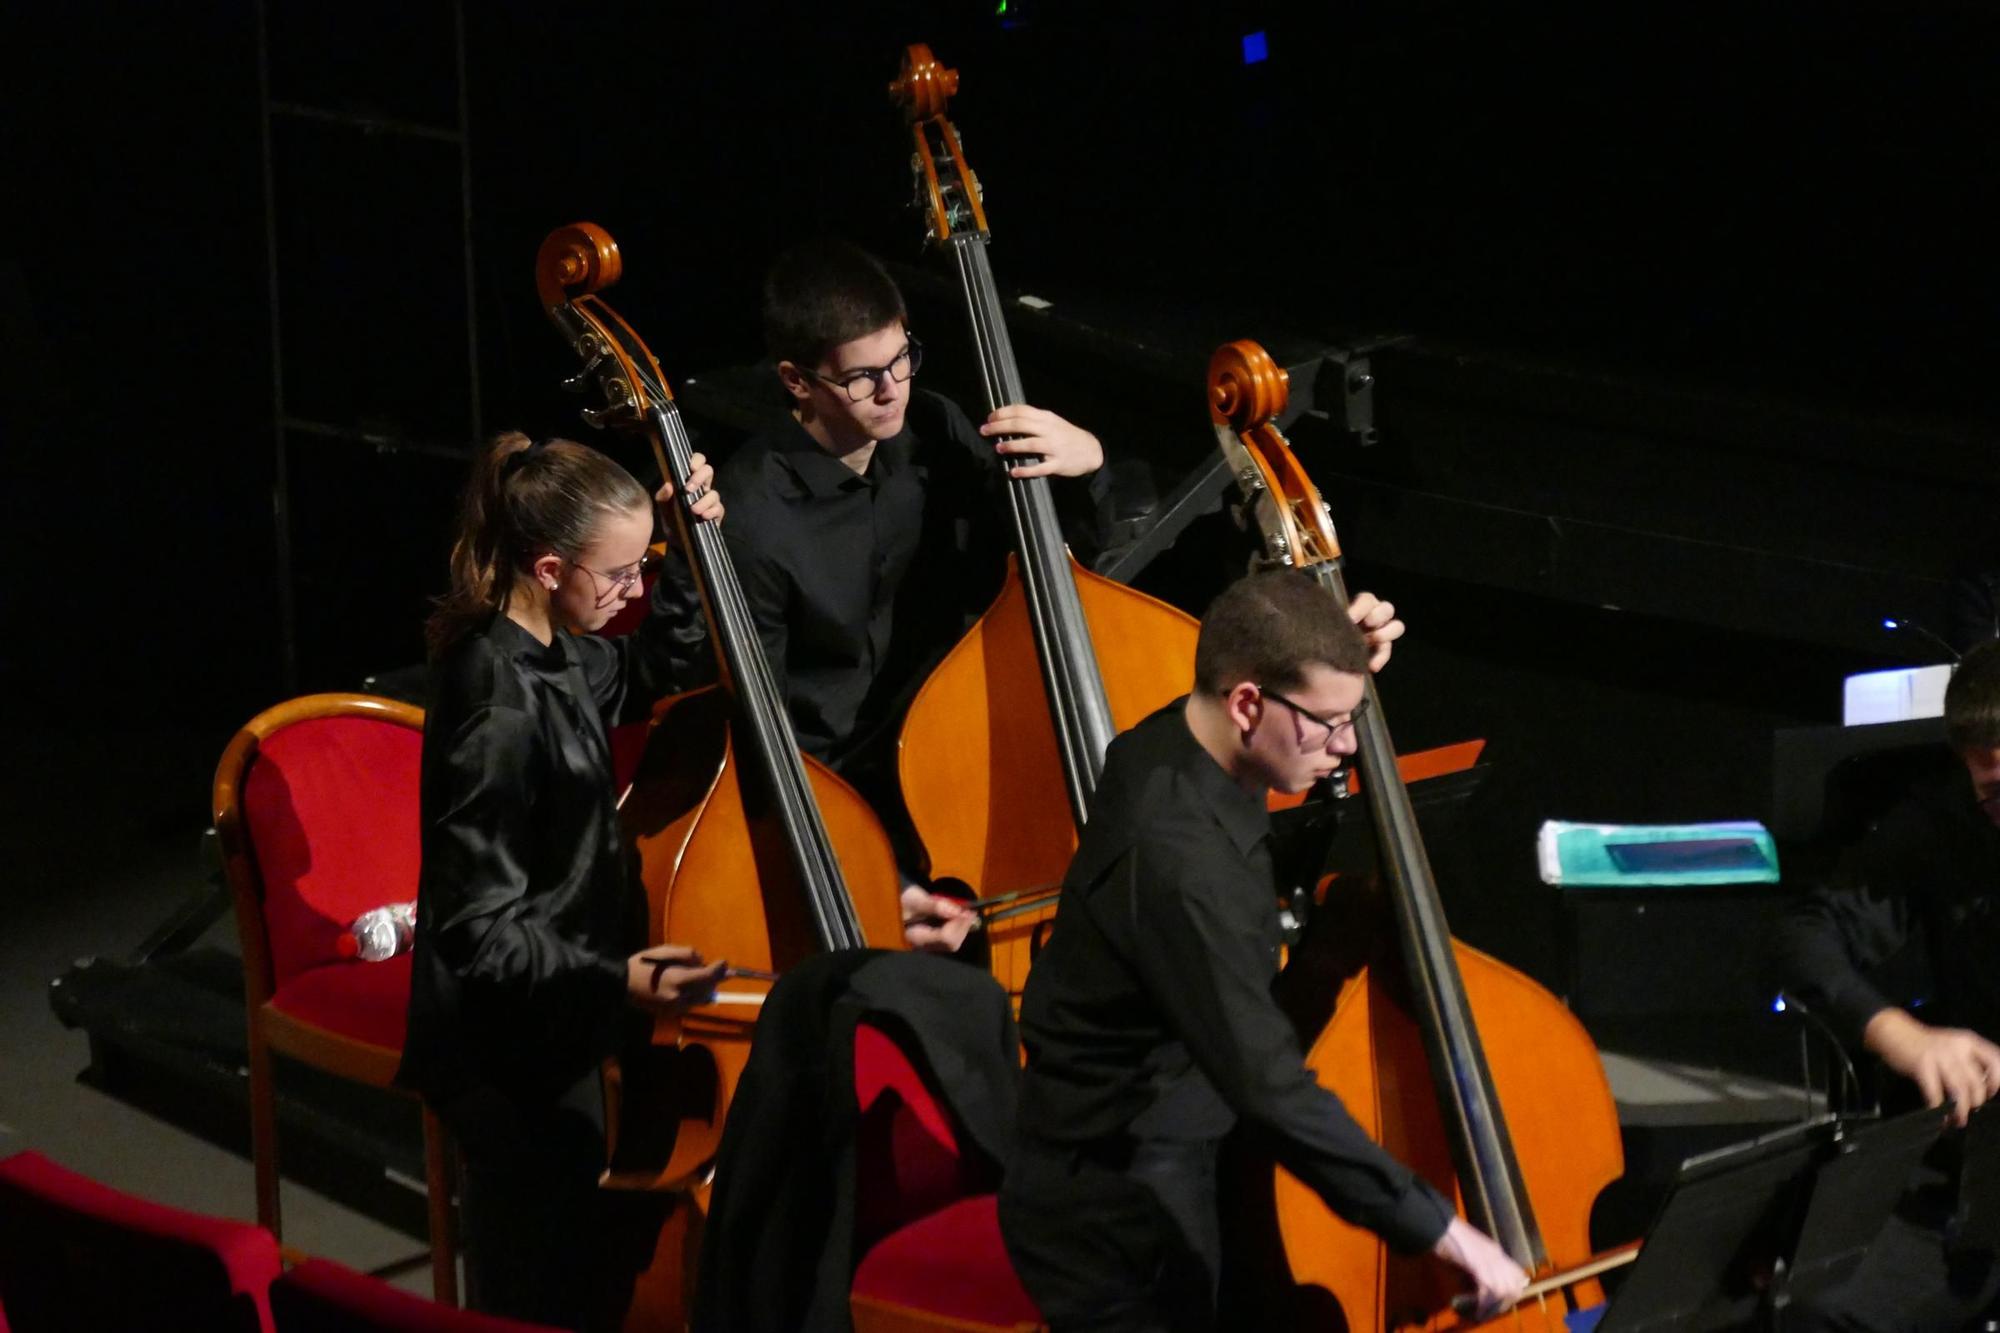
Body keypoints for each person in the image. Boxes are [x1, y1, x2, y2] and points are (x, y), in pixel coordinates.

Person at [997, 569, 1529, 1331]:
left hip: (1155, 1140)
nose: (1347, 746)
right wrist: (1441, 1229)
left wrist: (1324, 655)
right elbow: (1268, 1085)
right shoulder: (1181, 863)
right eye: (1329, 722)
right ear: (1247, 702)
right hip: (1112, 1203)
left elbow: (1269, 655)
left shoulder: (1171, 740)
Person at [664, 239, 1107, 948]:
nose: (892, 387)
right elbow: (759, 733)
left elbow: (1059, 564)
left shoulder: (934, 429)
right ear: (797, 380)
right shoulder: (754, 517)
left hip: (958, 758)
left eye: (902, 359)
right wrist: (878, 878)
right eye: (864, 377)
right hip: (838, 796)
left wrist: (1084, 464)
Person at [397, 431, 729, 1328]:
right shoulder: (497, 705)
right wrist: (619, 975)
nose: (634, 592)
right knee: (531, 1299)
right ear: (549, 566)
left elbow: (653, 668)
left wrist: (688, 556)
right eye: (620, 574)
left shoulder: (552, 644)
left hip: (555, 1020)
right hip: (506, 1055)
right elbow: (478, 930)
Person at [1772, 638, 2000, 1332]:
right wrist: (1899, 1033)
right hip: (1983, 1194)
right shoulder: (1942, 825)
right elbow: (1802, 938)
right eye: (1995, 795)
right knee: (1816, 1314)